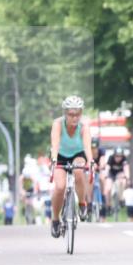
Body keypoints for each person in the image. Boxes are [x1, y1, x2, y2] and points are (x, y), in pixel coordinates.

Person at [49, 95, 93, 238]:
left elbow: (87, 146)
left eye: (78, 114)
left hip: (78, 154)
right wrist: (54, 159)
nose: (74, 118)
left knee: (79, 171)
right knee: (60, 186)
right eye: (71, 114)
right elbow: (55, 144)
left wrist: (91, 161)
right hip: (60, 155)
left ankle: (82, 203)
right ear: (65, 113)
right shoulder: (58, 124)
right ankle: (55, 219)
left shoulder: (84, 126)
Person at [105, 148, 129, 217]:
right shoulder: (111, 158)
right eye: (117, 156)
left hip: (120, 174)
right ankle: (109, 206)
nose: (118, 158)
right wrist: (106, 175)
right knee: (108, 189)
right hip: (111, 174)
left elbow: (126, 168)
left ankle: (121, 198)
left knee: (122, 181)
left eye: (120, 156)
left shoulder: (124, 159)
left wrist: (127, 176)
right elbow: (107, 167)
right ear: (114, 155)